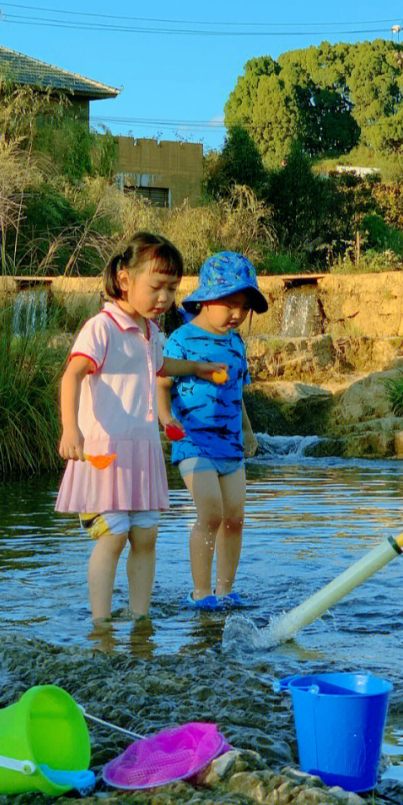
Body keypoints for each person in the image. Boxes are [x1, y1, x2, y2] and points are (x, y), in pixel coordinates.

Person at [57, 232, 223, 626]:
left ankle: (140, 620)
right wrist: (70, 430)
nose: (165, 298)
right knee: (112, 537)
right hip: (104, 453)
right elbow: (73, 374)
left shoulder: (150, 332)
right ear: (125, 279)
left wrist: (198, 368)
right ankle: (101, 626)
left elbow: (161, 366)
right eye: (156, 286)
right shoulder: (102, 327)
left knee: (145, 537)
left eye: (172, 289)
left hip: (142, 453)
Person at [159, 251, 267, 610]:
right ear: (206, 299)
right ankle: (201, 592)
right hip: (192, 440)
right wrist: (165, 418)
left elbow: (238, 394)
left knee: (234, 518)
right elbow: (160, 381)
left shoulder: (237, 345)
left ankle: (225, 591)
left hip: (230, 447)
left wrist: (248, 433)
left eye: (244, 307)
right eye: (231, 304)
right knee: (210, 514)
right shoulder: (181, 339)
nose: (237, 314)